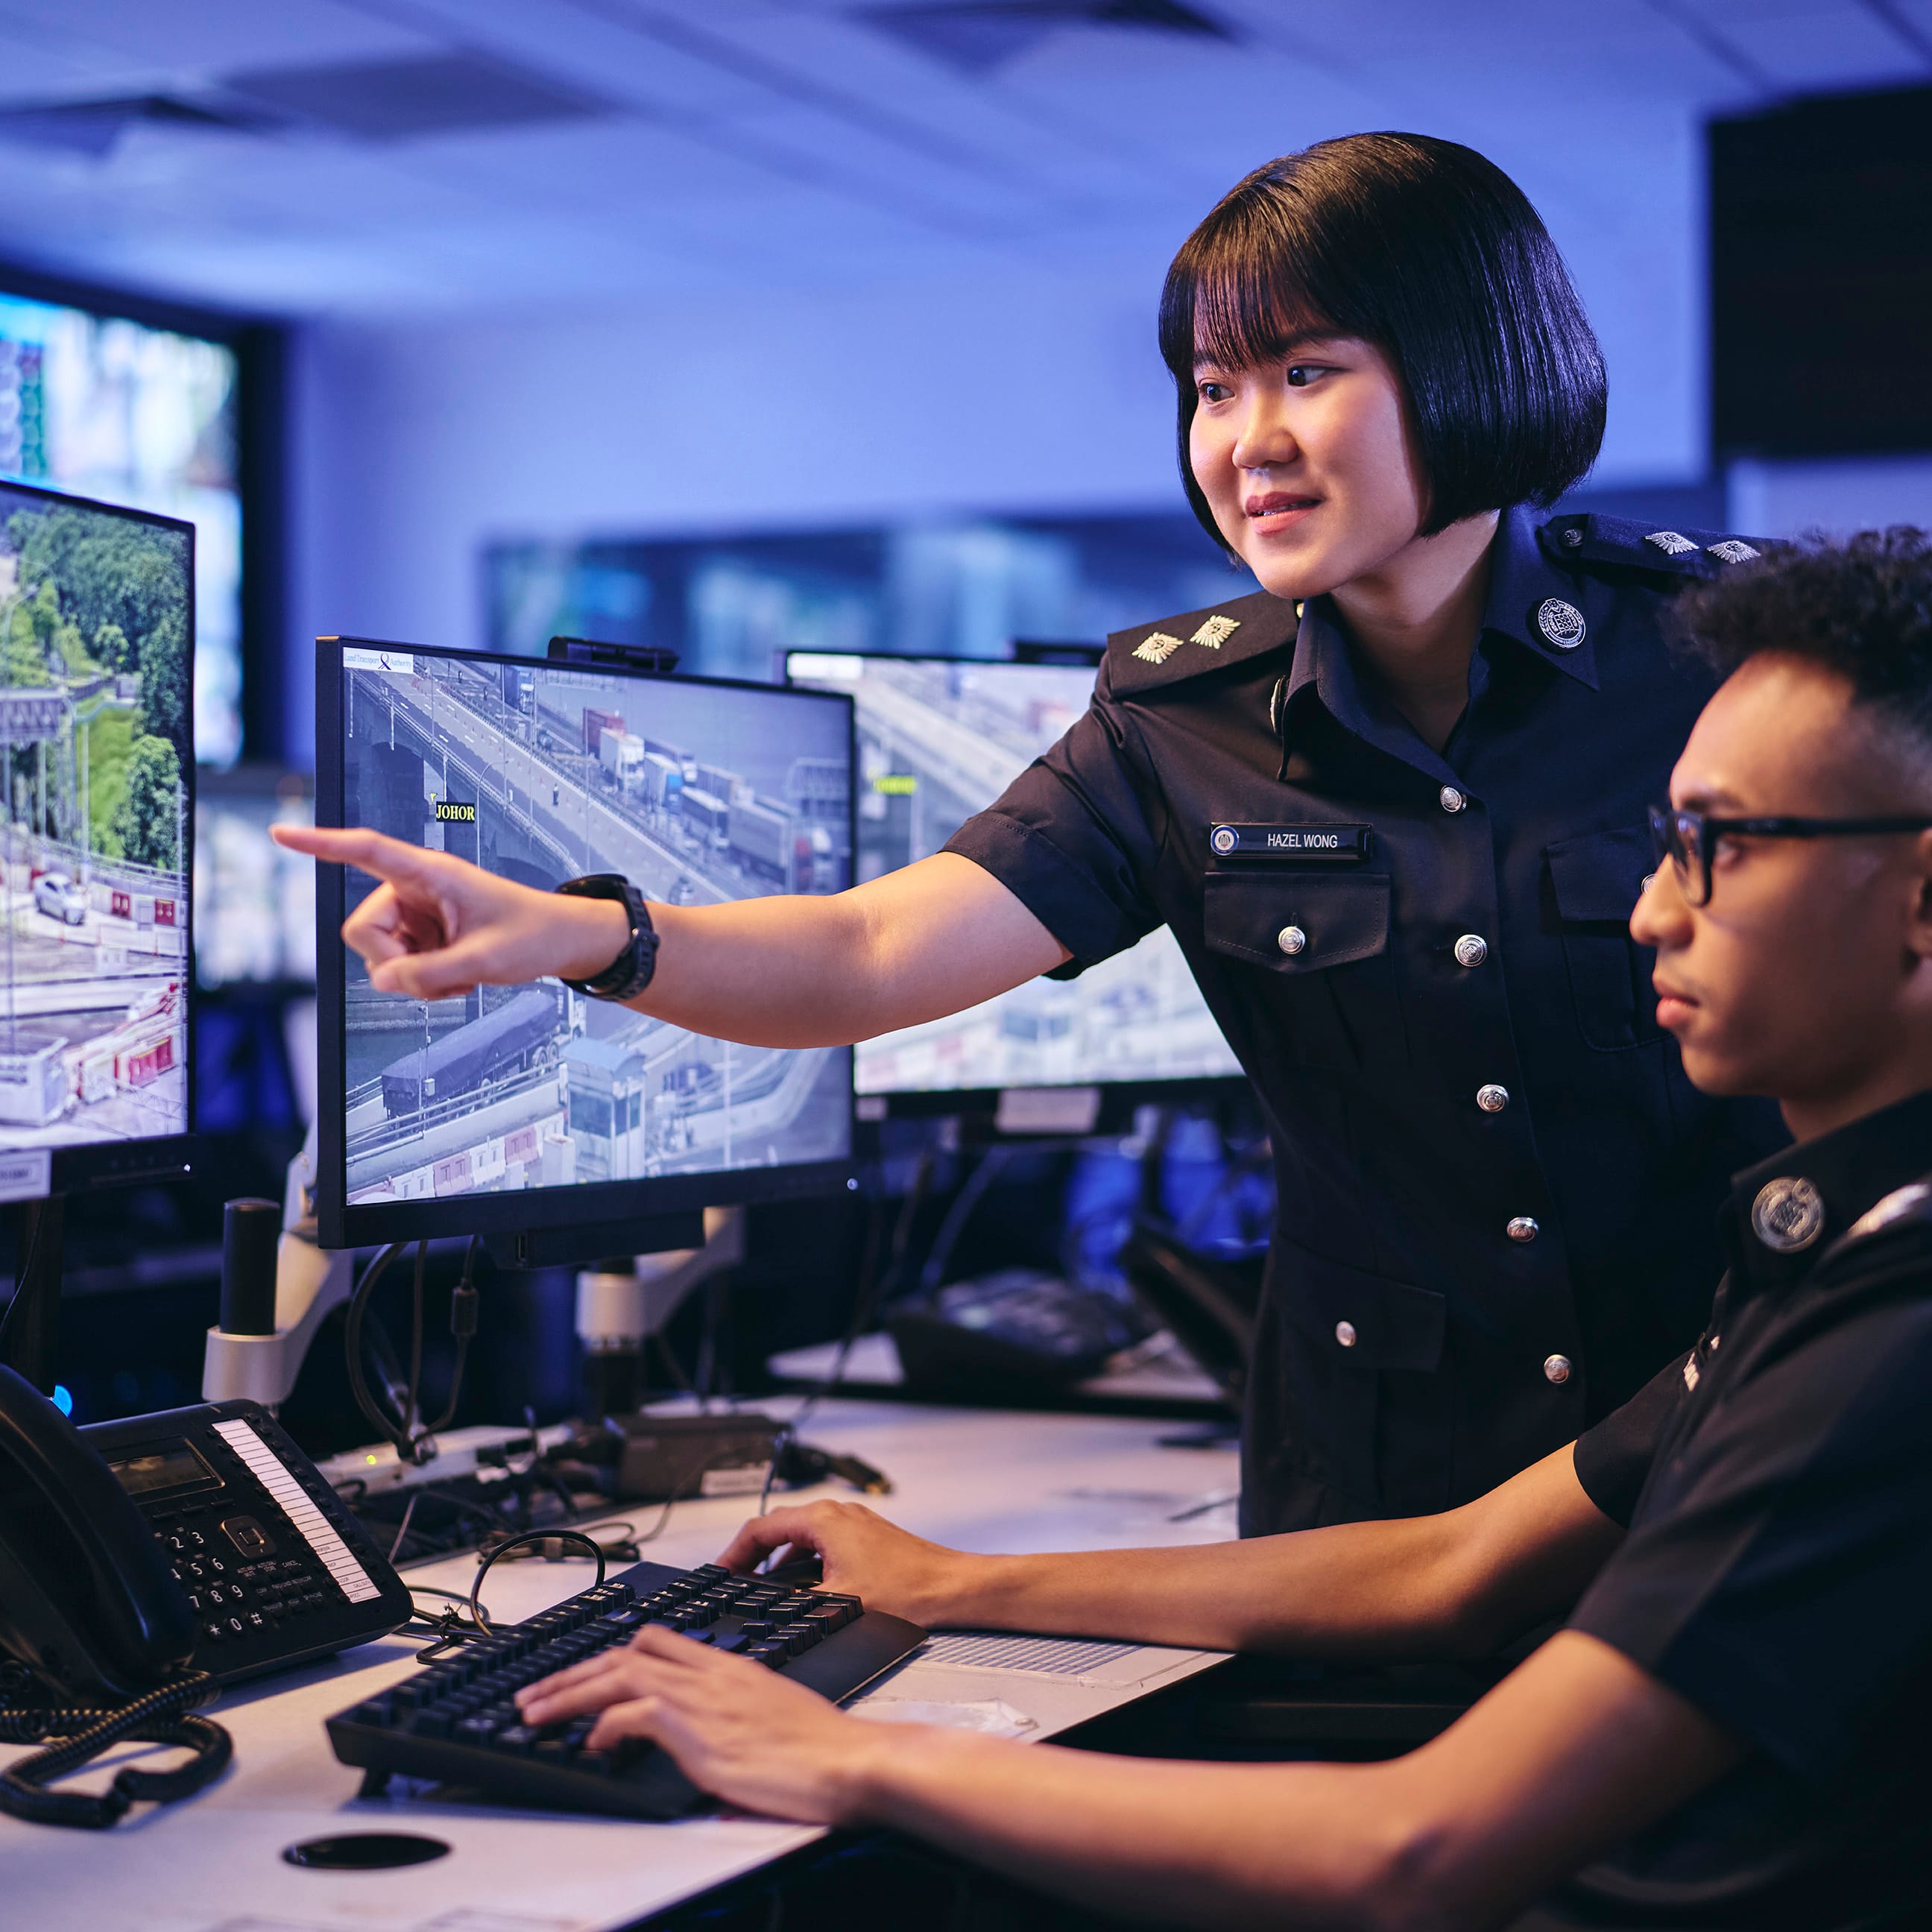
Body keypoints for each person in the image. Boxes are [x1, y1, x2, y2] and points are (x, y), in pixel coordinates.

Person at [281, 133, 1787, 1535]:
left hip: (1729, 1450)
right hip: (1378, 1487)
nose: (1246, 440)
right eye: (1213, 389)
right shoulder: (1184, 721)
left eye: (1308, 373)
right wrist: (594, 938)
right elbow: (876, 948)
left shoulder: (1725, 654)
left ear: (1469, 370)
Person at [513, 530, 1932, 1931]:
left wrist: (844, 1755)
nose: (1648, 909)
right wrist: (955, 1585)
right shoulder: (1834, 1262)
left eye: (1717, 849)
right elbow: (1450, 1568)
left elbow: (1412, 1852)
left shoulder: (1884, 1347)